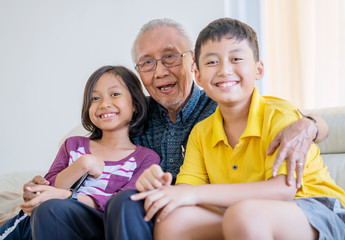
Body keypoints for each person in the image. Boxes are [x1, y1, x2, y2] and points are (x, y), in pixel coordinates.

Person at [29, 18, 329, 240]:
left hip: (162, 211)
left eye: (170, 56)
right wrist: (49, 188)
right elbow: (98, 144)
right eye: (147, 63)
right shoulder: (136, 116)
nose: (160, 71)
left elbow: (298, 124)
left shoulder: (220, 103)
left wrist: (310, 124)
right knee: (55, 211)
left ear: (192, 65)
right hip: (148, 210)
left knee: (129, 204)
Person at [131, 18, 345, 239]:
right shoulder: (201, 133)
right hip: (242, 214)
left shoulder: (279, 114)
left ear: (258, 70)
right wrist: (164, 185)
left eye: (236, 58)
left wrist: (191, 193)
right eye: (212, 62)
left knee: (244, 214)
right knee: (172, 219)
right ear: (198, 75)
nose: (224, 70)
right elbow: (186, 190)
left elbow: (283, 190)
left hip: (317, 210)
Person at [0, 65, 160, 239]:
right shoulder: (74, 145)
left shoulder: (146, 158)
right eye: (95, 98)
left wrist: (70, 196)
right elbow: (49, 189)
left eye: (115, 94)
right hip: (55, 216)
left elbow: (126, 204)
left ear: (135, 103)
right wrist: (83, 164)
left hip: (102, 223)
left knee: (51, 208)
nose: (104, 104)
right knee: (47, 209)